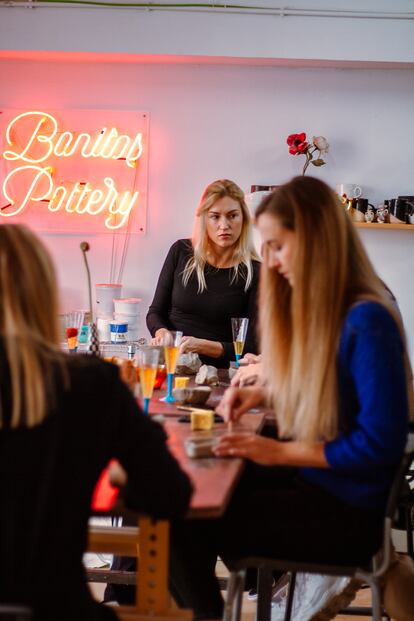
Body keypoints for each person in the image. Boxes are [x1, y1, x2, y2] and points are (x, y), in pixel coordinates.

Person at [168, 176, 412, 621]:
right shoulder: (341, 308)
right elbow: (338, 393)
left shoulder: (367, 317)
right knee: (184, 498)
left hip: (345, 514)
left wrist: (275, 451)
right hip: (321, 488)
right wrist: (267, 391)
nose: (273, 263)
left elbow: (379, 445)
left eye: (279, 246)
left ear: (318, 238)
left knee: (180, 522)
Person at [0, 224, 192, 621]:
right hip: (58, 608)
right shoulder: (92, 384)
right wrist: (118, 475)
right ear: (43, 294)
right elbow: (170, 495)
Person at [147, 179, 261, 367]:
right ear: (203, 219)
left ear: (244, 219)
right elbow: (155, 313)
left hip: (217, 375)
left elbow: (252, 346)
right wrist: (161, 333)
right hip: (171, 365)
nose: (224, 225)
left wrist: (201, 346)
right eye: (215, 216)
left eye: (232, 216)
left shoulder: (255, 272)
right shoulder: (180, 251)